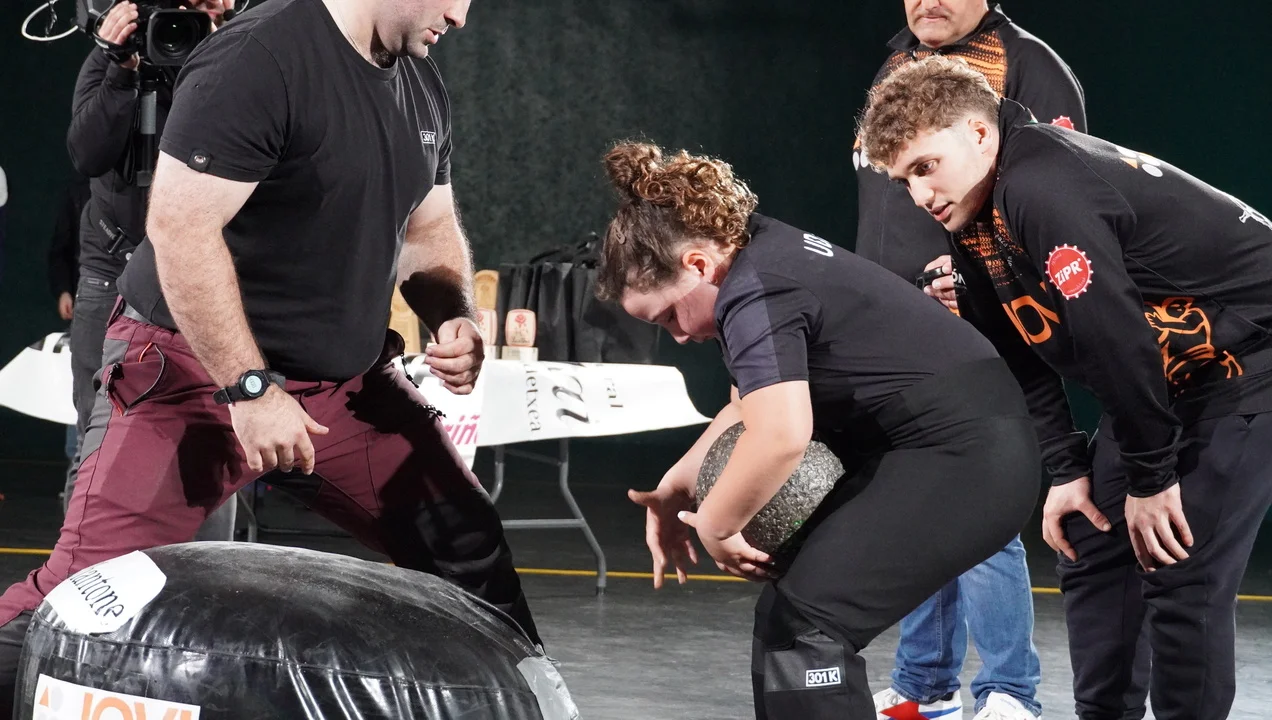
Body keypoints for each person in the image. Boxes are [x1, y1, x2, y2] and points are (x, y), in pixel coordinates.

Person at [0, 0, 541, 713]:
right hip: (192, 376)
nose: (461, 16)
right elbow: (181, 229)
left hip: (342, 388)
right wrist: (250, 389)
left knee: (464, 543)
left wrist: (453, 316)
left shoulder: (421, 81)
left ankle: (528, 704)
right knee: (83, 595)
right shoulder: (258, 59)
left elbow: (428, 225)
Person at [860, 55, 1272, 720]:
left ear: (979, 133)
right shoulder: (975, 212)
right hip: (1171, 375)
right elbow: (1015, 348)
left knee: (1181, 567)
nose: (920, 196)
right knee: (1091, 542)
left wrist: (1150, 478)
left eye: (926, 167)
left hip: (1252, 360)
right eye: (904, 179)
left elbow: (1115, 341)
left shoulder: (1043, 187)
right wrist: (1067, 470)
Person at [599, 142, 1041, 719]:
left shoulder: (757, 287)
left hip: (968, 458)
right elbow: (747, 408)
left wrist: (715, 525)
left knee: (808, 628)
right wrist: (673, 489)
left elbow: (780, 437)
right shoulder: (756, 251)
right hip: (941, 447)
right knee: (789, 622)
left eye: (668, 317)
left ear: (699, 266)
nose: (679, 336)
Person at [853, 2, 1085, 718]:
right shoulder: (896, 61)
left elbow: (1063, 200)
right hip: (892, 324)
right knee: (917, 499)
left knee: (979, 505)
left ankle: (1010, 691)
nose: (927, 1)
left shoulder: (1028, 65)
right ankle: (924, 684)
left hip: (976, 323)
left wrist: (987, 287)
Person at [63, 0, 234, 525]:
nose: (214, 9)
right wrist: (120, 70)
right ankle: (86, 571)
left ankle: (208, 577)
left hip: (201, 274)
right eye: (199, 5)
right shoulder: (117, 54)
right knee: (98, 441)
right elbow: (87, 154)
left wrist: (215, 59)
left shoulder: (242, 56)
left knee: (215, 442)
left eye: (222, 5)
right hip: (113, 270)